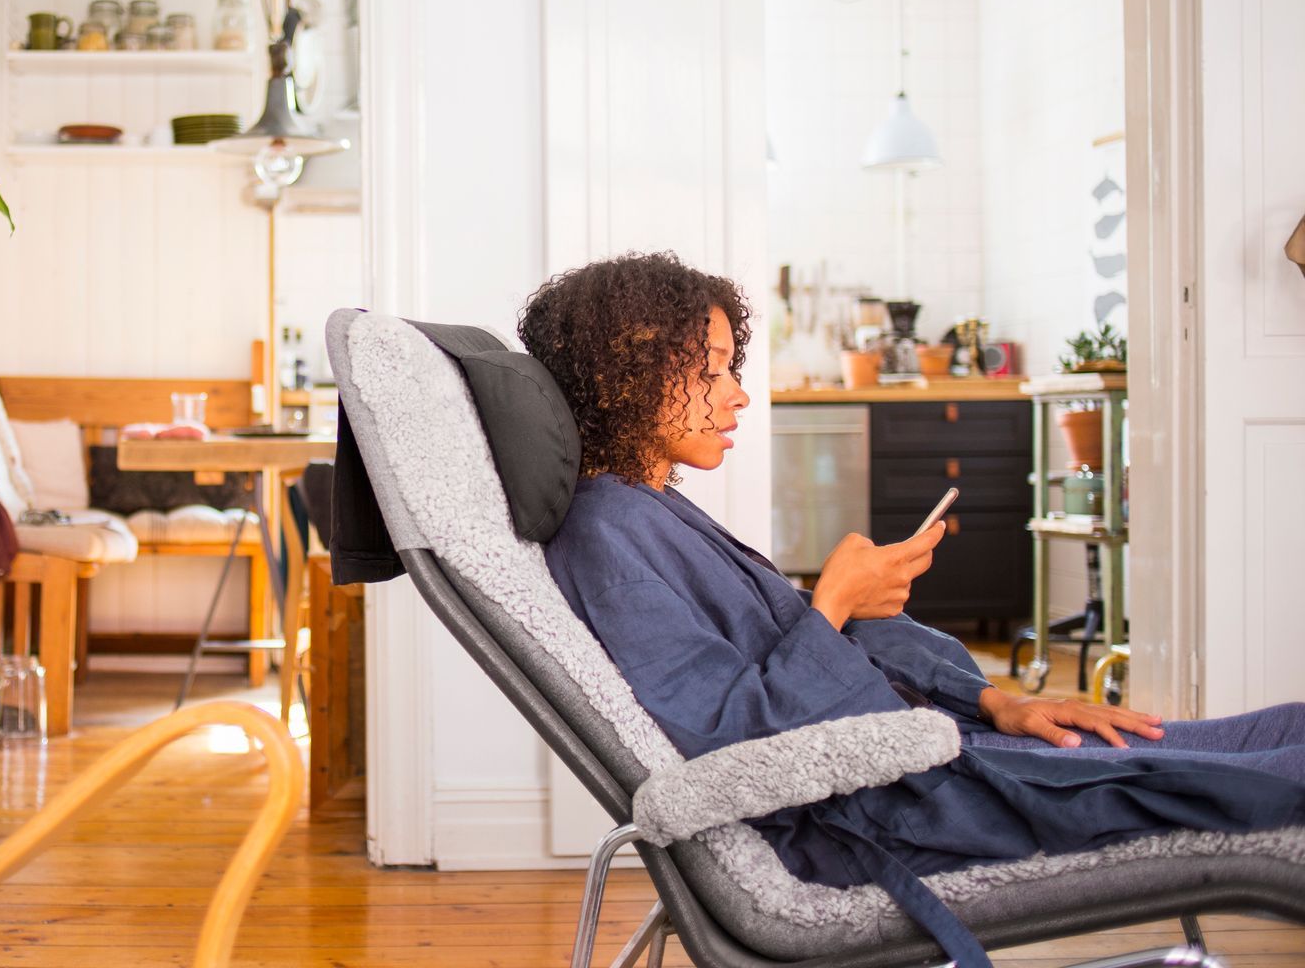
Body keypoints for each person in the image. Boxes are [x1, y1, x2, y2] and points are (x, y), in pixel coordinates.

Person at [521, 252, 1305, 968]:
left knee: (1279, 732)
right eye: (713, 370)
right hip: (882, 814)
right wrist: (834, 603)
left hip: (918, 762)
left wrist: (994, 701)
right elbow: (731, 741)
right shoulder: (606, 535)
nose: (739, 394)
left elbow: (796, 650)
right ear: (628, 374)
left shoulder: (648, 506)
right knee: (1269, 781)